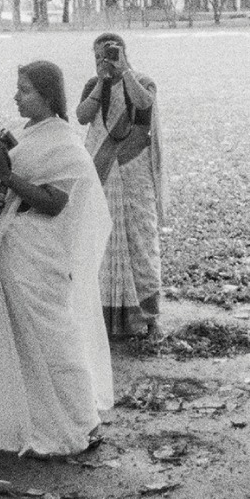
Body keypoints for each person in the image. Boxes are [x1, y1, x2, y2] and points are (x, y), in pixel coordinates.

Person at [0, 61, 115, 468]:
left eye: (24, 90)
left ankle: (81, 422)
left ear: (48, 96)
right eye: (17, 88)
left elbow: (55, 202)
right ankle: (28, 421)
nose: (16, 96)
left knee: (53, 334)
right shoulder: (29, 133)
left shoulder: (64, 142)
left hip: (41, 252)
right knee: (17, 335)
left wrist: (8, 176)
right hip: (12, 248)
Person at [76, 33, 166, 340]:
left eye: (110, 53)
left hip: (134, 170)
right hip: (101, 170)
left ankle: (149, 318)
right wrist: (102, 81)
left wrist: (124, 71)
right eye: (98, 55)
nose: (104, 59)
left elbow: (145, 104)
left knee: (140, 240)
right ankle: (104, 318)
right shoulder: (94, 86)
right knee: (101, 239)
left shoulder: (143, 81)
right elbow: (81, 116)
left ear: (125, 52)